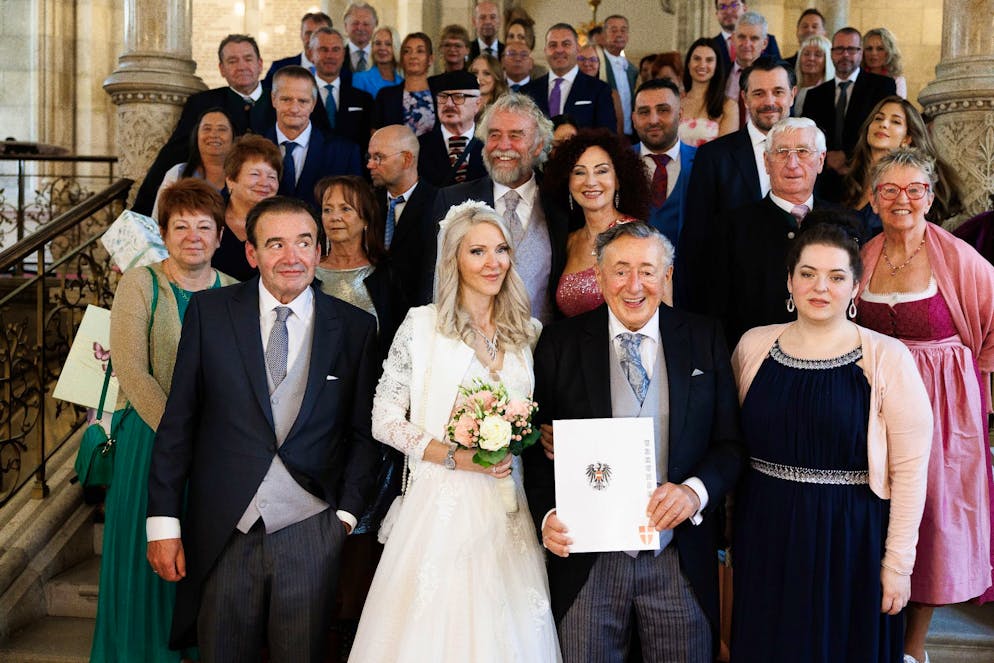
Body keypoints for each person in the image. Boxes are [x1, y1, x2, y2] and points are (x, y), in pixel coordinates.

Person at [147, 195, 381, 661]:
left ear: (319, 252)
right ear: (252, 254)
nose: (290, 257)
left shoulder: (354, 328)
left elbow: (364, 434)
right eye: (275, 244)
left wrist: (345, 517)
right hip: (223, 528)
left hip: (311, 527)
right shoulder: (210, 313)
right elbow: (179, 425)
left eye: (303, 243)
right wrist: (163, 524)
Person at [348, 201, 561, 663]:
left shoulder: (527, 333)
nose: (493, 263)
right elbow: (383, 419)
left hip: (508, 506)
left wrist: (539, 436)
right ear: (454, 260)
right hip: (440, 504)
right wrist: (454, 456)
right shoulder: (422, 326)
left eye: (501, 249)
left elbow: (537, 412)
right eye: (478, 251)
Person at [525, 221, 742, 661]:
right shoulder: (560, 343)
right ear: (600, 278)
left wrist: (693, 493)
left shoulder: (704, 337)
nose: (634, 284)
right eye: (620, 270)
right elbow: (534, 447)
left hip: (678, 556)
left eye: (647, 270)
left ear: (667, 277)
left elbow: (730, 445)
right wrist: (547, 514)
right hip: (589, 561)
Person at [730, 217, 932, 662]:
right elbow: (732, 446)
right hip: (766, 532)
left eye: (837, 276)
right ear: (789, 280)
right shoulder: (751, 347)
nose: (821, 287)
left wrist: (898, 565)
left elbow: (912, 473)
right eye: (808, 274)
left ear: (855, 287)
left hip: (852, 540)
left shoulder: (889, 359)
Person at [855, 148, 994, 663]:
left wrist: (968, 382)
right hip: (874, 406)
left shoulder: (958, 258)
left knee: (929, 520)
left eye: (915, 189)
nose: (902, 200)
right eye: (889, 190)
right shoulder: (863, 255)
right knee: (878, 514)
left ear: (931, 197)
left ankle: (913, 652)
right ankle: (876, 640)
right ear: (873, 198)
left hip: (942, 410)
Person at [91, 179, 237, 663]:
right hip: (149, 445)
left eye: (204, 227)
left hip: (216, 455)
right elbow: (133, 371)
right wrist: (182, 439)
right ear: (162, 232)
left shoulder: (236, 292)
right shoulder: (141, 283)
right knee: (147, 562)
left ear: (220, 235)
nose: (193, 236)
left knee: (201, 565)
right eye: (181, 226)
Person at [313, 175, 406, 657]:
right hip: (311, 420)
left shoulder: (387, 276)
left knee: (362, 525)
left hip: (371, 419)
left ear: (366, 216)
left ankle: (352, 628)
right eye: (328, 209)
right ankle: (316, 618)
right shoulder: (305, 271)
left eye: (346, 209)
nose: (335, 217)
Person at [432, 93, 567, 324]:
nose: (503, 146)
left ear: (538, 146)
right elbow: (435, 284)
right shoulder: (451, 200)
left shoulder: (562, 203)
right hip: (473, 347)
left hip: (545, 348)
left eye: (516, 136)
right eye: (494, 135)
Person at [678, 57, 797, 310]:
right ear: (745, 98)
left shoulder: (812, 152)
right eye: (758, 93)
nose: (769, 102)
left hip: (801, 302)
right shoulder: (714, 157)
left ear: (793, 95)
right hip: (734, 304)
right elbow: (695, 241)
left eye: (778, 92)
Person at [709, 117, 828, 346]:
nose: (792, 163)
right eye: (782, 152)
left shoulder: (845, 224)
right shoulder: (731, 227)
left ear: (821, 160)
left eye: (803, 151)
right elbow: (716, 312)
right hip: (756, 362)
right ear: (766, 161)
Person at [132, 34, 275, 216]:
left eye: (248, 59)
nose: (241, 66)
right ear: (221, 69)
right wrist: (140, 212)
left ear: (260, 64)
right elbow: (173, 154)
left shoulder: (280, 101)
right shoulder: (202, 103)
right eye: (232, 61)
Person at [542, 128, 650, 318]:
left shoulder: (639, 237)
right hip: (570, 346)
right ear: (567, 182)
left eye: (601, 171)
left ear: (618, 180)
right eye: (579, 172)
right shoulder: (569, 242)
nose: (590, 182)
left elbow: (662, 314)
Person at [843, 96, 963, 238]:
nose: (884, 124)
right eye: (878, 118)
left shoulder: (915, 186)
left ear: (907, 139)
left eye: (895, 121)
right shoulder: (847, 180)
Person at [802, 27, 897, 195]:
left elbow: (884, 130)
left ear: (860, 53)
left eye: (851, 49)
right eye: (839, 49)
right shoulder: (815, 94)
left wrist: (846, 156)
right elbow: (808, 135)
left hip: (865, 176)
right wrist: (828, 158)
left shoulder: (882, 86)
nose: (845, 54)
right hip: (824, 181)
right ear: (831, 53)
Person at [263, 66, 362, 209]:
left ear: (313, 103)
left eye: (303, 101)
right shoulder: (251, 149)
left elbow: (355, 207)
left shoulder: (344, 152)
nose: (294, 109)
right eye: (286, 99)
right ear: (273, 99)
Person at [368, 125, 438, 307]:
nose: (370, 164)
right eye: (370, 157)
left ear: (407, 159)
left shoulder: (439, 203)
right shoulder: (367, 203)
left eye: (379, 157)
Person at [633, 79, 697, 247]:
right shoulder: (617, 163)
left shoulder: (702, 162)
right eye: (644, 112)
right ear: (633, 118)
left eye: (663, 110)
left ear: (680, 115)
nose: (653, 120)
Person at [212, 134, 281, 281]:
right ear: (231, 180)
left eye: (272, 177)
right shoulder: (209, 216)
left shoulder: (284, 223)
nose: (265, 183)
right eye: (255, 174)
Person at [522, 23, 616, 131]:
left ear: (578, 49)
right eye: (553, 45)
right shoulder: (528, 91)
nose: (559, 50)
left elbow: (607, 135)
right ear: (545, 50)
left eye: (566, 44)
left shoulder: (599, 90)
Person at [151, 108, 235, 220]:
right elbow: (158, 221)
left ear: (233, 137)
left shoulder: (245, 175)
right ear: (196, 136)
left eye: (222, 129)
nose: (214, 134)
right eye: (207, 128)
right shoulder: (177, 173)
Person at [308, 27, 374, 155]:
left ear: (344, 54)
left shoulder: (363, 99)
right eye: (323, 49)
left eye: (336, 50)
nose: (330, 55)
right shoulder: (300, 98)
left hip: (352, 171)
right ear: (311, 54)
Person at [417, 71, 486, 187]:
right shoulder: (419, 146)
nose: (448, 104)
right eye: (443, 97)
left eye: (458, 97)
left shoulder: (490, 143)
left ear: (477, 104)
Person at [372, 32, 436, 136]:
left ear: (430, 59)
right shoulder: (386, 96)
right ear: (402, 58)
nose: (413, 56)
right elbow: (376, 134)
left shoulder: (441, 94)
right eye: (407, 51)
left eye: (420, 51)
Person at [679, 38, 738, 146]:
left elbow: (725, 151)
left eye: (709, 60)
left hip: (709, 163)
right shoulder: (676, 101)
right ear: (688, 63)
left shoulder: (728, 105)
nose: (702, 65)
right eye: (697, 59)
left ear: (716, 66)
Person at [726, 12, 773, 129]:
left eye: (754, 38)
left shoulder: (775, 77)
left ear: (764, 43)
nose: (747, 44)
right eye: (741, 37)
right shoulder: (720, 74)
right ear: (732, 39)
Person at [263, 12, 333, 88]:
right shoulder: (279, 68)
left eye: (319, 34)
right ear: (301, 35)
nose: (312, 39)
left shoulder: (342, 71)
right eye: (308, 33)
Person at [711, 0, 781, 72]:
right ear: (717, 13)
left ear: (744, 8)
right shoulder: (710, 46)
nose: (729, 11)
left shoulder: (769, 41)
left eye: (734, 5)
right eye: (722, 7)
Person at [577, 44, 625, 135]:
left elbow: (618, 129)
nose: (587, 64)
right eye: (581, 59)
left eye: (593, 60)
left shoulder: (612, 93)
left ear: (600, 63)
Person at [602, 15, 638, 137]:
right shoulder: (597, 63)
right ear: (604, 34)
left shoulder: (632, 69)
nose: (619, 34)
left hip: (630, 135)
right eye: (613, 30)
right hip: (606, 133)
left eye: (623, 30)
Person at [352, 26, 404, 99]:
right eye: (378, 43)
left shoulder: (403, 80)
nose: (382, 48)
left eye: (388, 44)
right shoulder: (360, 79)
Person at [792, 35, 834, 117]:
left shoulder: (831, 93)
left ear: (827, 60)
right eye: (806, 54)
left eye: (818, 55)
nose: (811, 58)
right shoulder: (791, 88)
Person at [863, 28, 907, 99]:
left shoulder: (897, 81)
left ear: (889, 52)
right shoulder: (856, 76)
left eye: (880, 49)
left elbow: (898, 107)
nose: (873, 53)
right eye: (869, 49)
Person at [468, 53, 509, 119]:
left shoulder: (505, 108)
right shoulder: (460, 105)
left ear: (496, 77)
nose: (479, 78)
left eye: (486, 73)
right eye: (475, 73)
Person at [343, 2, 378, 78]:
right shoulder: (337, 56)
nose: (360, 28)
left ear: (374, 26)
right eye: (355, 23)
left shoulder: (381, 57)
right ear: (346, 26)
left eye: (366, 24)